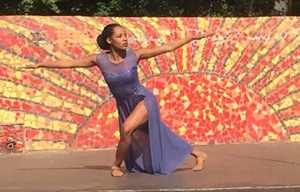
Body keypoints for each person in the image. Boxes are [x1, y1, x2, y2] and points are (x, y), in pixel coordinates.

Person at [24, 23, 211, 177]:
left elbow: (167, 47)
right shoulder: (98, 60)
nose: (125, 39)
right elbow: (68, 63)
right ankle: (198, 153)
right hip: (124, 104)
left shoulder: (135, 55)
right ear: (109, 40)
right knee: (155, 132)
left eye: (126, 35)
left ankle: (115, 165)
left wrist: (192, 38)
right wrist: (42, 64)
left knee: (127, 129)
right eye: (120, 36)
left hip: (143, 99)